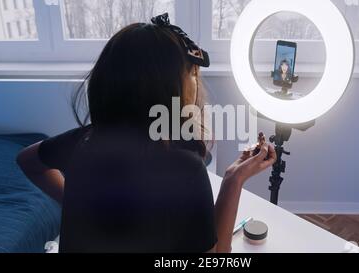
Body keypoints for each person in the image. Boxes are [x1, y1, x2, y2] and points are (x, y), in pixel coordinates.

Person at [16, 13, 276, 253]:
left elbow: (27, 161)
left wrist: (79, 203)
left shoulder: (82, 140)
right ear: (172, 91)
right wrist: (233, 180)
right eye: (192, 74)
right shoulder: (183, 169)